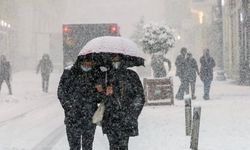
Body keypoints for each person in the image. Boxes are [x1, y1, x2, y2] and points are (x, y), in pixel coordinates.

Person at [99, 54, 145, 150]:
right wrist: (104, 93)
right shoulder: (105, 76)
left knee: (124, 146)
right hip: (110, 118)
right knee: (113, 146)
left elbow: (139, 96)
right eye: (113, 59)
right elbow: (97, 97)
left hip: (125, 118)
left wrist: (132, 113)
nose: (115, 62)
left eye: (118, 59)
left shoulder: (131, 75)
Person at [57, 54, 101, 150]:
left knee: (88, 147)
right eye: (85, 61)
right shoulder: (69, 72)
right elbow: (61, 92)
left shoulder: (96, 73)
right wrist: (69, 107)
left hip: (89, 116)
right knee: (74, 147)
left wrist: (100, 91)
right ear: (80, 61)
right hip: (72, 117)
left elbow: (100, 98)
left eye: (90, 62)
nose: (88, 63)